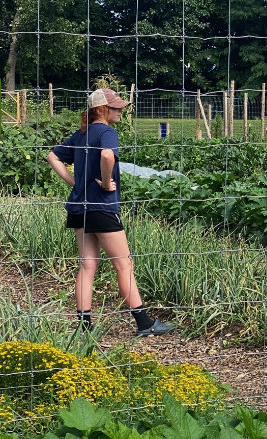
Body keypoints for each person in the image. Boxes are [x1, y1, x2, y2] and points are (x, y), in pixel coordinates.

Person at [45, 88, 175, 336]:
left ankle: (85, 327)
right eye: (116, 107)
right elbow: (107, 156)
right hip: (102, 208)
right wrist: (105, 183)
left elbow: (52, 157)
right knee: (124, 264)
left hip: (79, 207)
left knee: (87, 266)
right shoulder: (106, 132)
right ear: (102, 109)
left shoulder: (81, 134)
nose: (121, 111)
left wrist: (75, 183)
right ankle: (144, 323)